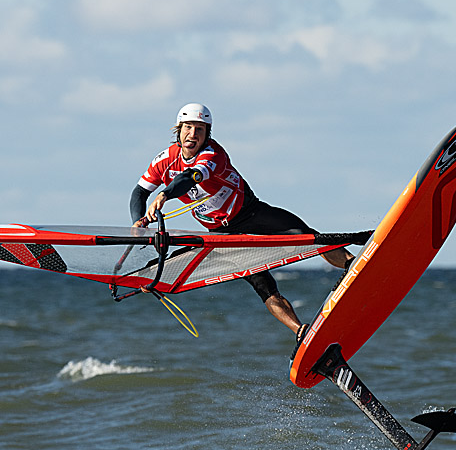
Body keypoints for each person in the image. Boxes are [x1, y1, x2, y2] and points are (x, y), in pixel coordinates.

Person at [129, 103, 353, 346]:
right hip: (222, 234)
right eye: (189, 128)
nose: (193, 134)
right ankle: (301, 332)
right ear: (179, 129)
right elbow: (139, 193)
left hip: (250, 213)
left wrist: (164, 195)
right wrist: (137, 224)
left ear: (207, 134)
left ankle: (354, 266)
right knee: (263, 286)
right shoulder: (164, 161)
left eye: (200, 129)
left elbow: (189, 178)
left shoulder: (213, 155)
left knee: (306, 236)